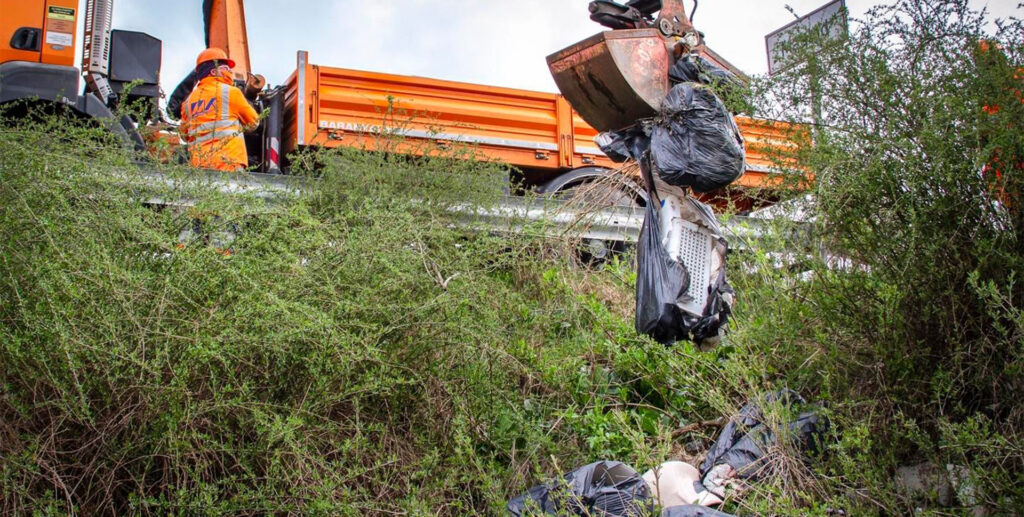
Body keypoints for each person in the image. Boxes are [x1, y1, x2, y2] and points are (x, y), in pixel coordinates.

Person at [179, 48, 259, 171]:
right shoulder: (230, 92)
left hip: (199, 167)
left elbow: (184, 135)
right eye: (225, 68)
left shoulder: (188, 102)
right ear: (213, 71)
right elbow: (253, 123)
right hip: (229, 163)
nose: (230, 71)